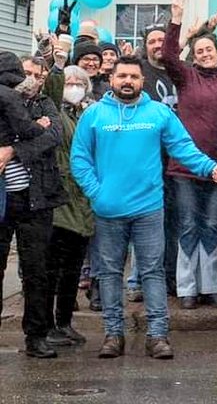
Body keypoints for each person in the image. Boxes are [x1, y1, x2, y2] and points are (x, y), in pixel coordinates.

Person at [70, 56, 217, 360]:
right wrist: (97, 192)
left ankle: (157, 336)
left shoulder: (158, 113)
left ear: (142, 80)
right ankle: (113, 334)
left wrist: (210, 168)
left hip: (148, 208)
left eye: (133, 76)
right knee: (109, 273)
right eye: (122, 76)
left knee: (153, 273)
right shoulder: (93, 115)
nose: (127, 81)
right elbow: (79, 159)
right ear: (112, 79)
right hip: (108, 210)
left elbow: (183, 148)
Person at [162, 4, 217, 309]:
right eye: (200, 50)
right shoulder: (186, 77)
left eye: (209, 49)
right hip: (185, 166)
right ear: (194, 55)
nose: (205, 53)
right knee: (189, 224)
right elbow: (167, 55)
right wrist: (177, 22)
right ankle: (187, 288)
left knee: (213, 224)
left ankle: (210, 286)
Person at [0, 52, 65, 359]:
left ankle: (36, 335)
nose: (28, 80)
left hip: (36, 197)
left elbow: (52, 136)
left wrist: (12, 150)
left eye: (36, 75)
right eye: (25, 73)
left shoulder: (44, 105)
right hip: (4, 198)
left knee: (37, 270)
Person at [44, 64, 95, 348]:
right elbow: (52, 88)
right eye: (69, 81)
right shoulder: (54, 111)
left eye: (80, 82)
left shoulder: (87, 113)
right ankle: (48, 324)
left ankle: (65, 322)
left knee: (73, 268)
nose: (74, 85)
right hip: (59, 197)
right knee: (54, 265)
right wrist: (57, 65)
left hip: (83, 198)